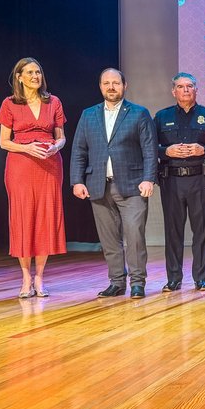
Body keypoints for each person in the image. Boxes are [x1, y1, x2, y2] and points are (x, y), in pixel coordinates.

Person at [70, 68, 158, 299]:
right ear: (100, 87)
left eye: (116, 83)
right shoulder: (88, 115)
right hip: (98, 185)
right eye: (106, 83)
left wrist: (149, 178)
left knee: (135, 236)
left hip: (133, 185)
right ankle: (117, 282)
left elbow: (149, 150)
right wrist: (77, 181)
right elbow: (79, 150)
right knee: (109, 238)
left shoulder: (139, 113)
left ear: (124, 86)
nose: (111, 87)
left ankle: (137, 282)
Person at [0, 57, 67, 299]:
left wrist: (56, 147)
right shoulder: (9, 103)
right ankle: (26, 278)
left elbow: (61, 136)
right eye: (30, 72)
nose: (35, 76)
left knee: (45, 218)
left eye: (38, 72)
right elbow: (4, 142)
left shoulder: (53, 101)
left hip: (49, 164)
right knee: (24, 218)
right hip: (21, 166)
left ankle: (40, 278)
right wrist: (27, 148)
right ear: (19, 77)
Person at [155, 72, 205, 291]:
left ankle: (200, 277)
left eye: (189, 86)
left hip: (200, 179)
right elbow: (150, 149)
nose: (185, 90)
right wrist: (166, 151)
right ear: (174, 91)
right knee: (173, 232)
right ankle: (173, 278)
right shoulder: (161, 117)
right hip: (171, 180)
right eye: (180, 87)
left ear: (196, 90)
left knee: (201, 230)